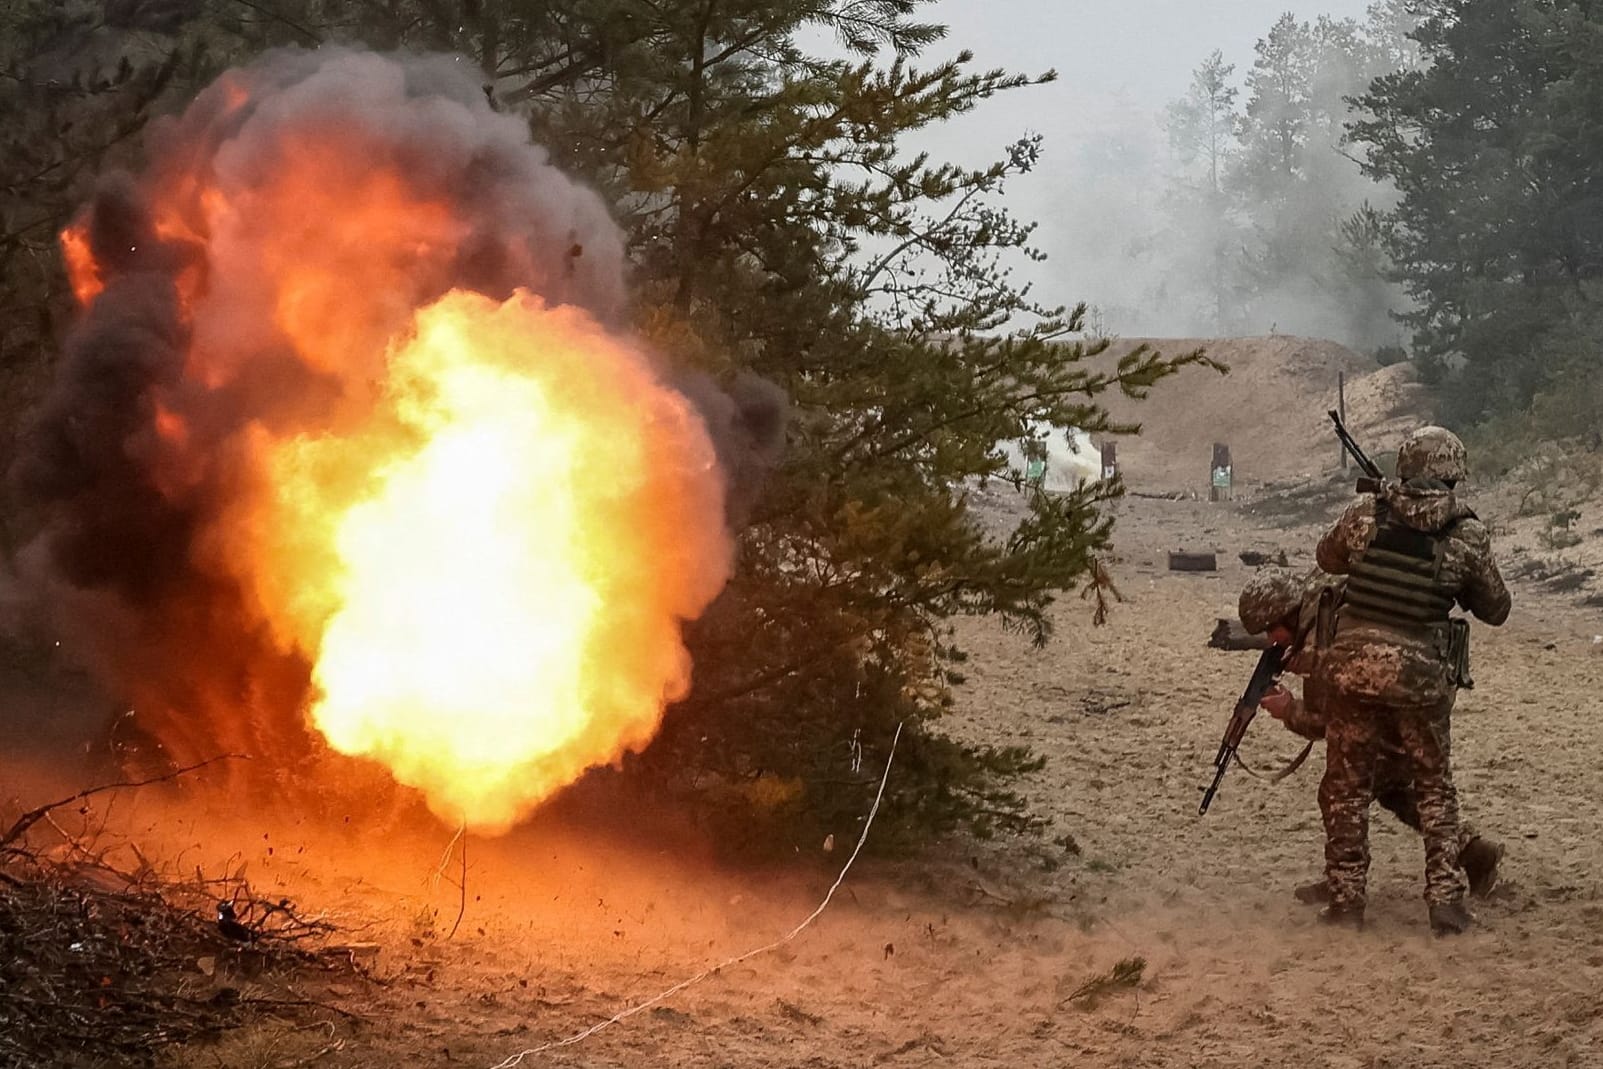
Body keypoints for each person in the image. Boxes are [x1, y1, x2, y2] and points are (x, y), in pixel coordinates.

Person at [1312, 426, 1511, 934]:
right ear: (1452, 475)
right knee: (1433, 787)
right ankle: (1445, 902)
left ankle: (1345, 903)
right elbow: (1496, 608)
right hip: (1419, 676)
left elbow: (1327, 558)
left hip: (1351, 667)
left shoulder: (1364, 514)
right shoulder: (1466, 532)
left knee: (1347, 787)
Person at [1236, 568, 1504, 907]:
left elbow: (1326, 722)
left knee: (1340, 790)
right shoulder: (1329, 599)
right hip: (1427, 683)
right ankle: (1474, 853)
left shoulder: (1324, 633)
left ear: (1283, 614)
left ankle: (1345, 887)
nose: (1272, 641)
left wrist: (1288, 709)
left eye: (1269, 630)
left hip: (1403, 699)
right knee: (1390, 785)